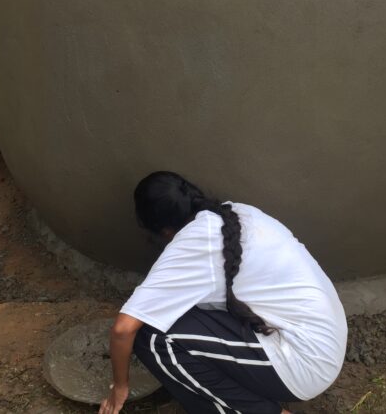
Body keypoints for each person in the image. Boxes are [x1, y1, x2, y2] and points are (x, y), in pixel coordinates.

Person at [99, 171, 347, 414]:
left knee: (151, 337)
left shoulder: (193, 243)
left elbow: (124, 329)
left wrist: (120, 387)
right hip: (325, 341)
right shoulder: (237, 212)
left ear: (162, 230)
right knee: (178, 311)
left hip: (306, 363)